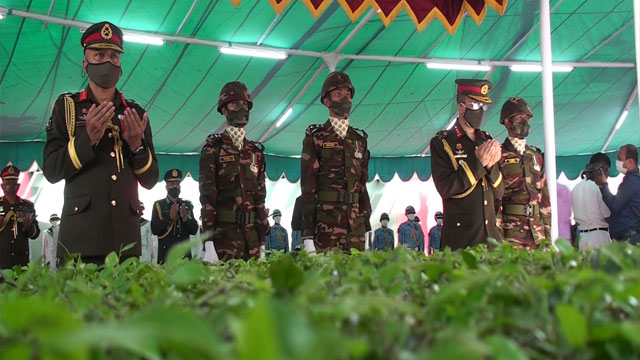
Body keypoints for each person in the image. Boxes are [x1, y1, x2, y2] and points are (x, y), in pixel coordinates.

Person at [42, 21, 158, 264]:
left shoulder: (135, 112)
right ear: (86, 65)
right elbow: (52, 170)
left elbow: (150, 180)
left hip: (126, 244)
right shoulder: (68, 107)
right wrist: (88, 140)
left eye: (114, 56)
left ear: (120, 66)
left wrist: (137, 146)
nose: (108, 61)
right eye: (99, 54)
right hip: (81, 241)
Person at [300, 72, 372, 253]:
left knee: (355, 279)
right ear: (327, 101)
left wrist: (367, 226)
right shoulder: (316, 137)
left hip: (355, 226)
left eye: (348, 94)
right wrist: (307, 235)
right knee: (327, 279)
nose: (345, 98)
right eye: (338, 93)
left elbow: (362, 185)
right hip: (326, 225)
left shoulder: (359, 140)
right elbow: (308, 187)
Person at [429, 79, 503, 251]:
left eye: (483, 106)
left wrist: (491, 167)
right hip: (462, 241)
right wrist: (480, 163)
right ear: (461, 107)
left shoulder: (486, 140)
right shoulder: (443, 143)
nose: (480, 111)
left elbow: (500, 191)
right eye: (475, 105)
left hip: (491, 241)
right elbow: (446, 188)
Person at [199, 81, 269, 261]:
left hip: (251, 240)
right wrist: (208, 243)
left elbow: (260, 199)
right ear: (224, 109)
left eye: (245, 104)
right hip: (224, 239)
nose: (241, 108)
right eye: (235, 104)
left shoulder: (255, 152)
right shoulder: (213, 149)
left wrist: (262, 242)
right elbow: (208, 198)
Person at [496, 97, 551, 249]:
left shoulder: (536, 155)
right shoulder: (498, 155)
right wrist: (499, 238)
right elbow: (495, 200)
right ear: (507, 122)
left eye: (527, 118)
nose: (525, 122)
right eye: (520, 118)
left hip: (537, 232)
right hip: (512, 234)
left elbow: (544, 197)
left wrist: (547, 236)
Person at [151, 169, 198, 263]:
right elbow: (154, 229)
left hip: (184, 256)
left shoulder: (186, 205)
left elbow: (194, 230)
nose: (175, 186)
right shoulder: (159, 205)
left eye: (177, 184)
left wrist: (185, 219)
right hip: (167, 256)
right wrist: (169, 217)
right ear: (166, 187)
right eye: (172, 184)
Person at [596, 145, 640, 244]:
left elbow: (614, 205)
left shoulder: (632, 181)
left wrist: (604, 185)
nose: (617, 162)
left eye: (620, 159)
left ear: (630, 162)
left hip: (630, 238)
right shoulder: (634, 180)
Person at [0, 163, 40, 269]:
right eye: (7, 183)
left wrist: (29, 227)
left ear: (18, 185)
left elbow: (35, 234)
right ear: (2, 185)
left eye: (14, 183)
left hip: (21, 261)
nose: (11, 186)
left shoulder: (27, 205)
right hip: (2, 261)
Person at [572, 153, 611, 250]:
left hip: (582, 238)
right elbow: (607, 216)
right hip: (599, 237)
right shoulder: (599, 187)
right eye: (606, 169)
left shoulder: (576, 188)